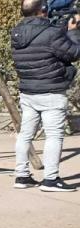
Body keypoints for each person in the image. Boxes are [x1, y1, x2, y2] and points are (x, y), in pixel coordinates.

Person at [12, 0, 80, 192]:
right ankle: (51, 180)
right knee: (54, 136)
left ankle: (22, 176)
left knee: (25, 134)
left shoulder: (17, 32)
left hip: (28, 90)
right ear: (43, 10)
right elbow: (74, 53)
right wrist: (73, 32)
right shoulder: (51, 33)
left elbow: (42, 47)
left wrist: (61, 29)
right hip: (51, 90)